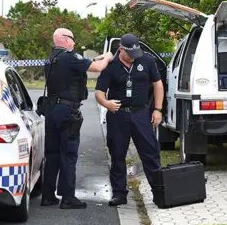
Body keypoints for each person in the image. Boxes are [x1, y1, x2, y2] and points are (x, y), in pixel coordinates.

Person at [41, 28, 114, 209]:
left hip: (51, 110)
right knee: (69, 154)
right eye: (72, 39)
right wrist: (107, 58)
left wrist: (97, 57)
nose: (74, 43)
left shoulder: (52, 58)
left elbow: (85, 63)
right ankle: (68, 198)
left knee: (52, 154)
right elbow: (96, 68)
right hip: (67, 111)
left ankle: (48, 196)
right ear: (65, 39)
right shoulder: (69, 57)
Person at [95, 33, 164, 206]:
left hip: (141, 113)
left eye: (136, 53)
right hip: (118, 115)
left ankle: (159, 192)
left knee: (150, 153)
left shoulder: (146, 61)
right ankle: (119, 194)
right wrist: (106, 103)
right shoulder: (110, 66)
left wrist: (157, 109)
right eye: (130, 54)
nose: (134, 57)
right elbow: (99, 92)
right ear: (121, 49)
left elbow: (158, 84)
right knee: (117, 154)